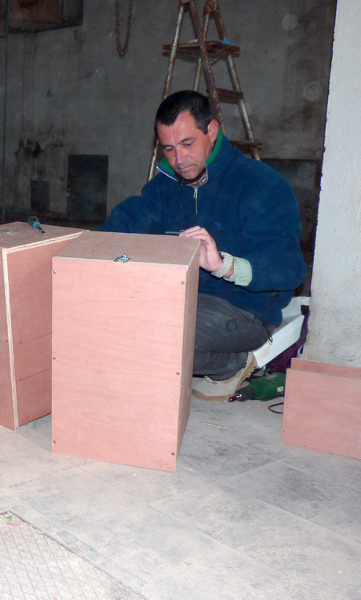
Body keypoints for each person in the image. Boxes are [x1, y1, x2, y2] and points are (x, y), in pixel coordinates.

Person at [101, 90, 306, 401]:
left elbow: (288, 269)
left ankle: (230, 364)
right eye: (168, 149)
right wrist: (81, 251)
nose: (179, 160)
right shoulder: (166, 185)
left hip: (245, 309)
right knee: (107, 320)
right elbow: (128, 223)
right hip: (181, 295)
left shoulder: (262, 185)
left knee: (155, 335)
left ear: (212, 131)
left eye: (187, 144)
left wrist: (224, 265)